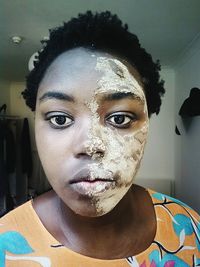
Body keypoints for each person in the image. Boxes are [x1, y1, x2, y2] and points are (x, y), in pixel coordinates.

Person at [0, 11, 199, 267]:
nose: (90, 145)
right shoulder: (5, 247)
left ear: (148, 123)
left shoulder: (189, 228)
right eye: (60, 119)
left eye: (119, 118)